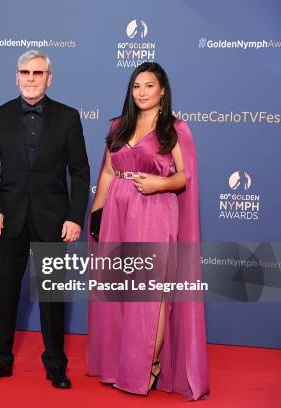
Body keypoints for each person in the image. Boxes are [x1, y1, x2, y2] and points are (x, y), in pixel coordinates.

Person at [87, 62, 209, 399]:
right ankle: (117, 366)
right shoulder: (118, 126)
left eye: (149, 86)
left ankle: (147, 366)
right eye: (136, 86)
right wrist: (96, 213)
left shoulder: (176, 129)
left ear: (163, 90)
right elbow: (109, 173)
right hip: (116, 210)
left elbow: (186, 177)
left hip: (154, 211)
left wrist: (160, 183)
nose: (141, 92)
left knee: (150, 297)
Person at [0, 50, 90, 389]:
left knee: (52, 296)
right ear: (16, 76)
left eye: (37, 73)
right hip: (8, 217)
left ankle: (56, 364)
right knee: (5, 292)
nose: (30, 78)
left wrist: (74, 216)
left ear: (48, 78)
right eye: (24, 72)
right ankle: (0, 360)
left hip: (52, 218)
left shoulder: (68, 117)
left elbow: (80, 172)